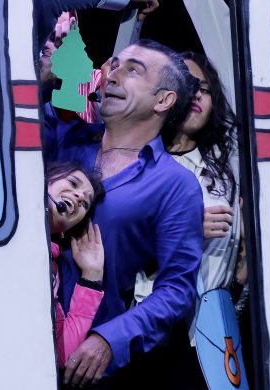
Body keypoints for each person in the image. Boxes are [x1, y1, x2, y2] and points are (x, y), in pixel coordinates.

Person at [44, 39, 204, 388]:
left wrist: (110, 339)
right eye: (114, 65)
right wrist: (41, 78)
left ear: (163, 100)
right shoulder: (65, 138)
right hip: (8, 330)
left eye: (133, 70)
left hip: (80, 365)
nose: (113, 75)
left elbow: (177, 289)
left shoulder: (174, 184)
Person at [133, 52, 246, 389]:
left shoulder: (225, 168)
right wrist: (187, 232)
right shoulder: (140, 164)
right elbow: (118, 247)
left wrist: (242, 275)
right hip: (153, 331)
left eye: (205, 89)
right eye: (189, 85)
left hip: (213, 330)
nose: (197, 94)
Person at [45, 161, 106, 370]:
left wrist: (92, 275)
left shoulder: (50, 270)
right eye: (72, 183)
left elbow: (62, 353)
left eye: (85, 204)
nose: (79, 197)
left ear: (66, 230)